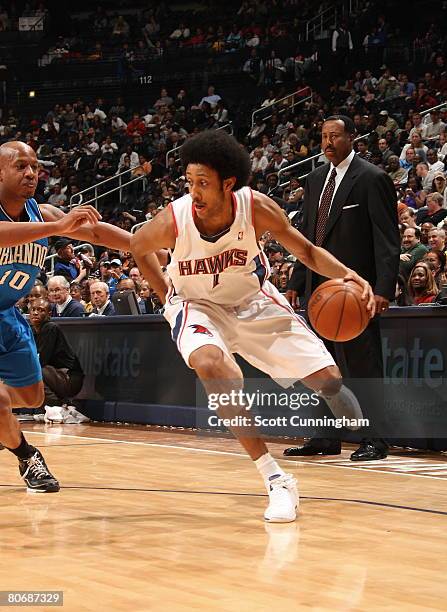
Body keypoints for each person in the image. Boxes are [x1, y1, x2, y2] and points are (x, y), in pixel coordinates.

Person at [131, 130, 375, 523]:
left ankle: (363, 433)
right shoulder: (173, 219)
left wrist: (349, 275)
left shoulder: (256, 208)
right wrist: (166, 297)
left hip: (254, 302)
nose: (194, 191)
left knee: (329, 380)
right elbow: (138, 248)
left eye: (203, 183)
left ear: (229, 183)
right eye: (190, 181)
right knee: (211, 365)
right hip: (199, 306)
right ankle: (275, 478)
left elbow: (308, 251)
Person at [0, 141, 138, 493]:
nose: (31, 173)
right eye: (20, 166)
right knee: (0, 403)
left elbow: (93, 232)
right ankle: (28, 456)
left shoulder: (40, 213)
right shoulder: (47, 222)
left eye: (34, 166)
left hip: (7, 315)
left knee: (31, 398)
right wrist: (57, 226)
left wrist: (142, 244)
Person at [285, 115, 400, 461]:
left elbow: (386, 239)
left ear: (352, 137)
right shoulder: (316, 178)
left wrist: (381, 288)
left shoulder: (372, 178)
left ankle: (375, 439)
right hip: (317, 290)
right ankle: (324, 438)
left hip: (355, 290)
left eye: (335, 135)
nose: (328, 142)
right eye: (323, 136)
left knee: (362, 366)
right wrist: (294, 281)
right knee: (321, 364)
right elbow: (305, 237)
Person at [29, 298, 84, 407]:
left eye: (40, 310)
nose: (35, 313)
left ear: (49, 314)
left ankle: (57, 406)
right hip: (54, 375)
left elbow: (41, 360)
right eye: (33, 309)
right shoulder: (31, 330)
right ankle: (55, 405)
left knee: (33, 371)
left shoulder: (50, 328)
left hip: (69, 379)